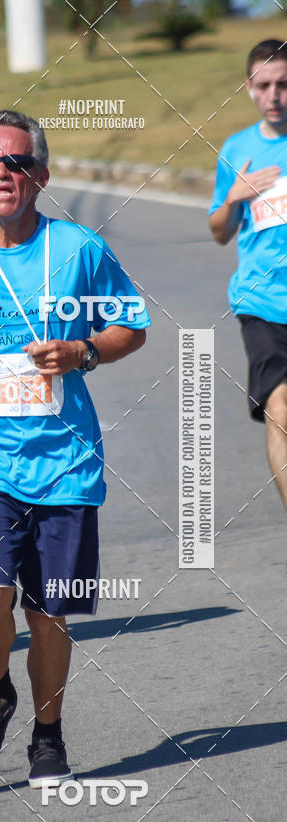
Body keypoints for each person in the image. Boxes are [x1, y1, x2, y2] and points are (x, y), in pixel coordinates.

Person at [0, 109, 149, 787]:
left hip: (66, 460)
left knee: (49, 614)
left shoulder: (78, 250)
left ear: (40, 175)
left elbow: (132, 326)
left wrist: (84, 351)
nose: (2, 174)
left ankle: (48, 733)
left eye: (16, 163)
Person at [210, 39, 287, 509]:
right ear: (249, 89)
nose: (274, 94)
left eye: (284, 84)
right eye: (265, 85)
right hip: (262, 302)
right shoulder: (237, 149)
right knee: (281, 409)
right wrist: (234, 197)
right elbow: (219, 232)